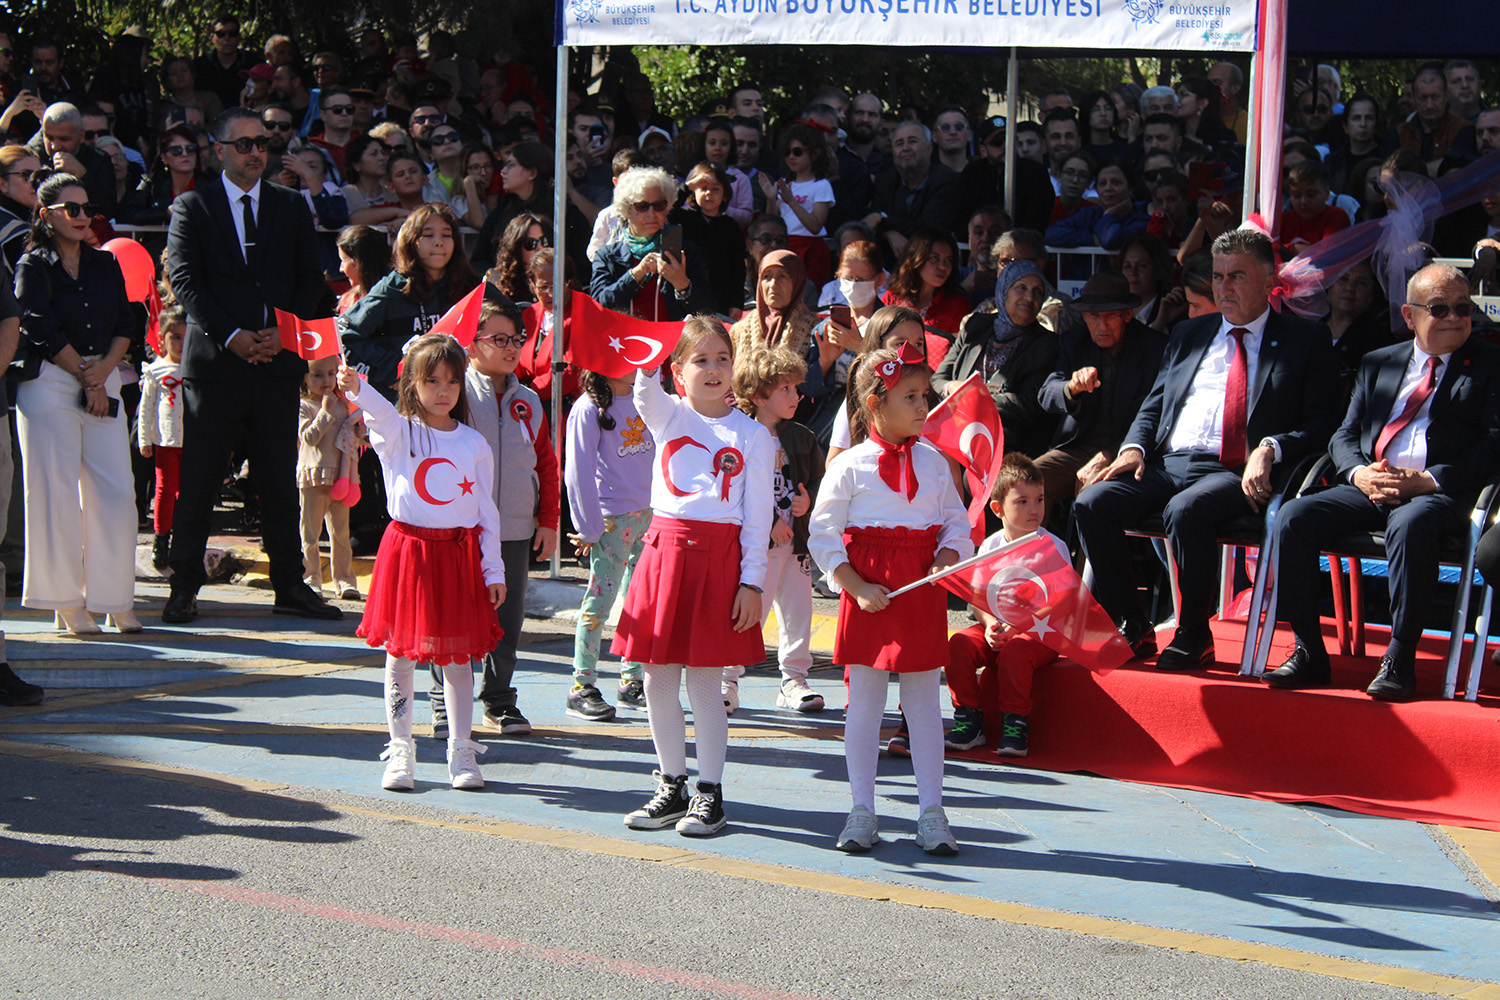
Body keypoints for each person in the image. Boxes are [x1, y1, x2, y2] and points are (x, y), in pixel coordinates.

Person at [1072, 229, 1340, 668]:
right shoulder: (1189, 333)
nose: (1223, 288)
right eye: (1218, 277)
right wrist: (1134, 447)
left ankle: (1194, 632)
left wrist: (1271, 446)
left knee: (1187, 509)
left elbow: (1323, 422)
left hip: (1237, 469)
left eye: (1237, 276)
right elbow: (1155, 403)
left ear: (1268, 281)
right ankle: (1132, 625)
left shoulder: (1303, 339)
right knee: (1092, 502)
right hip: (1169, 462)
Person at [1266, 264, 1500, 700]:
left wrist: (1427, 480)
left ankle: (1399, 657)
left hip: (1439, 493)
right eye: (1440, 308)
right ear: (1410, 316)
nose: (1454, 317)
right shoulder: (1379, 361)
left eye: (1463, 308)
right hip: (1371, 484)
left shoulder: (1491, 365)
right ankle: (1308, 649)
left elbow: (1493, 446)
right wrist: (1360, 473)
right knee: (1295, 516)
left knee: (1411, 523)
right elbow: (1344, 433)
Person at [163, 107, 341, 625]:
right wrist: (233, 336)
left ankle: (290, 584)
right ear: (219, 150)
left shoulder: (289, 204)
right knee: (199, 479)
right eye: (243, 144)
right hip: (216, 366)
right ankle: (184, 585)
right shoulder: (193, 205)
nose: (255, 152)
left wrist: (282, 334)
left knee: (279, 480)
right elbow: (186, 280)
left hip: (276, 362)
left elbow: (310, 277)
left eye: (261, 143)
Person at [809, 343, 972, 855]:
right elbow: (822, 534)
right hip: (869, 594)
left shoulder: (935, 462)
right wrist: (855, 587)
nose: (924, 406)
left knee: (923, 703)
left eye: (925, 395)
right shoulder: (849, 465)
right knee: (865, 702)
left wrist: (947, 555)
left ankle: (932, 812)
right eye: (911, 397)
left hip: (919, 590)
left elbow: (956, 522)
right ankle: (861, 809)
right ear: (875, 404)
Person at [614, 316, 774, 838]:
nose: (713, 369)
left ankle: (710, 792)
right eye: (700, 359)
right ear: (677, 370)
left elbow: (758, 519)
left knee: (705, 679)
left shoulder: (752, 434)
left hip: (719, 560)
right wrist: (654, 349)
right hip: (664, 553)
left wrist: (752, 582)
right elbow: (644, 388)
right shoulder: (668, 414)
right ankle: (671, 784)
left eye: (722, 358)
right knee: (657, 676)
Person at [337, 335, 505, 791]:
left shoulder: (474, 443)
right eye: (432, 380)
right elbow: (379, 413)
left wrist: (493, 569)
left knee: (458, 659)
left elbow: (486, 512)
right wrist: (358, 387)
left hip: (457, 556)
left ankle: (462, 751)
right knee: (400, 656)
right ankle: (400, 749)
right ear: (412, 383)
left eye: (452, 381)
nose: (443, 390)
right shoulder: (399, 432)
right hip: (408, 553)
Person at [427, 298, 559, 739]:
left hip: (515, 528)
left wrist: (548, 519)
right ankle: (444, 701)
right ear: (472, 343)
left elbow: (546, 463)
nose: (511, 348)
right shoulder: (456, 394)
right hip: (460, 530)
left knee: (508, 617)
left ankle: (498, 699)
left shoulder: (529, 401)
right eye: (499, 339)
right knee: (452, 616)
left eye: (517, 339)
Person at [15, 172, 140, 635]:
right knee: (55, 493)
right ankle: (65, 601)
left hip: (102, 375)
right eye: (72, 209)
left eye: (88, 208)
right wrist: (88, 376)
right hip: (50, 380)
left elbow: (126, 322)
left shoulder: (105, 263)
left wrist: (100, 374)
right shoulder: (33, 264)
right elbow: (37, 325)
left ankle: (115, 598)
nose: (83, 216)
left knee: (116, 492)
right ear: (45, 214)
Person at [944, 454, 1070, 756]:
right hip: (1000, 628)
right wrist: (990, 625)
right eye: (1022, 502)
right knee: (958, 644)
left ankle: (1015, 722)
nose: (1034, 509)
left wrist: (1018, 627)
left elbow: (1062, 602)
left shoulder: (1053, 546)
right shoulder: (990, 545)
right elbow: (979, 595)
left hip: (1040, 634)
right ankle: (969, 718)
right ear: (998, 508)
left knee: (1016, 650)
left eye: (1039, 499)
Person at [727, 346, 826, 715]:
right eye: (785, 389)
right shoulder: (739, 434)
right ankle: (727, 678)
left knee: (798, 613)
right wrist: (771, 524)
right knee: (749, 611)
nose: (795, 396)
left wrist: (808, 500)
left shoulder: (803, 437)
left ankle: (794, 679)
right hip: (756, 548)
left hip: (796, 546)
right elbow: (733, 488)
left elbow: (819, 479)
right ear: (757, 396)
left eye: (796, 388)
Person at [1035, 273, 1167, 526]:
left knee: (1093, 495)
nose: (1101, 325)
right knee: (1027, 483)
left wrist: (1109, 455)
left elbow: (1154, 417)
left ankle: (1085, 554)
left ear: (1127, 315)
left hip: (1130, 449)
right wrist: (1072, 387)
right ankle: (1035, 551)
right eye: (1093, 316)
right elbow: (1046, 394)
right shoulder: (1074, 341)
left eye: (1110, 316)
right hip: (1078, 446)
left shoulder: (1154, 348)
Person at [565, 368, 654, 720]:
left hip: (651, 515)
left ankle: (632, 680)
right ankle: (581, 685)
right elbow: (578, 470)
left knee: (641, 602)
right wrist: (588, 526)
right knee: (599, 602)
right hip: (612, 521)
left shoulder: (647, 398)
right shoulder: (588, 408)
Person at [341, 203, 480, 397]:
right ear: (411, 241)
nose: (439, 242)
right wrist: (393, 370)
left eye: (446, 235)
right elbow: (345, 334)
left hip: (455, 399)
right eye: (428, 235)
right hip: (402, 402)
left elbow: (505, 321)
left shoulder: (470, 285)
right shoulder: (392, 287)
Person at [932, 261, 1057, 458]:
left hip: (1005, 436)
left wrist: (976, 397)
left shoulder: (1046, 343)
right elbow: (937, 380)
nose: (1029, 297)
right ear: (1004, 290)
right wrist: (950, 388)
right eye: (1021, 288)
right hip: (955, 424)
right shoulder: (976, 326)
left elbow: (1032, 403)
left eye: (1038, 292)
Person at [590, 166, 714, 321]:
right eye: (642, 207)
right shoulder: (607, 256)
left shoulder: (686, 252)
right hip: (625, 336)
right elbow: (597, 306)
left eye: (659, 206)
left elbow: (707, 310)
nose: (651, 214)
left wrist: (682, 284)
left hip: (672, 336)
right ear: (627, 210)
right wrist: (636, 275)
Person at [298, 354, 364, 600]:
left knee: (341, 535)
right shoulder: (304, 406)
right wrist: (324, 412)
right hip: (313, 478)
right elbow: (309, 438)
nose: (326, 380)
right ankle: (311, 578)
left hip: (340, 479)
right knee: (310, 534)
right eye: (317, 375)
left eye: (331, 374)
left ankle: (344, 580)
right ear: (306, 378)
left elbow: (352, 440)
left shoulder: (344, 404)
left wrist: (360, 432)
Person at [864, 122, 961, 261]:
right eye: (899, 144)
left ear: (929, 148)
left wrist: (883, 220)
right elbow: (870, 222)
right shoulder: (885, 180)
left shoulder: (947, 180)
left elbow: (927, 229)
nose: (905, 148)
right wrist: (889, 233)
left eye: (912, 141)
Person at [139, 307, 187, 570]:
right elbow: (146, 407)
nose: (181, 344)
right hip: (166, 442)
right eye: (175, 337)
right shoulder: (156, 371)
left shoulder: (194, 367)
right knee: (165, 490)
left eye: (186, 337)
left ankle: (183, 537)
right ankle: (161, 537)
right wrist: (144, 438)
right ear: (162, 339)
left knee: (186, 492)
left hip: (191, 442)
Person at [673, 161, 745, 316]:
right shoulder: (686, 219)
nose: (708, 193)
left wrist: (737, 303)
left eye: (715, 189)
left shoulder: (731, 226)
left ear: (725, 195)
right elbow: (669, 208)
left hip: (722, 297)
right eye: (703, 188)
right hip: (691, 294)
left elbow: (738, 267)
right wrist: (688, 186)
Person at [879, 227, 967, 339]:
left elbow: (959, 347)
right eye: (934, 258)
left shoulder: (958, 305)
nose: (943, 266)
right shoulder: (892, 298)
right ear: (916, 259)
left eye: (949, 260)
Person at [1045, 159, 1150, 250]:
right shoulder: (1088, 214)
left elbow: (1109, 239)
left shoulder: (1142, 221)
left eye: (1116, 182)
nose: (1108, 188)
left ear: (1130, 188)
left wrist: (1109, 215)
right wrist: (1091, 239)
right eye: (1102, 183)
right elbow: (1050, 234)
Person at [1280, 159, 1350, 259]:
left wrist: (1287, 249)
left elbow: (1326, 254)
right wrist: (1294, 249)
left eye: (1311, 195)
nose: (1303, 201)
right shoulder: (1285, 219)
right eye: (1296, 195)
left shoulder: (1337, 217)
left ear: (1327, 193)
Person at [335, 223, 392, 315]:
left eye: (344, 260)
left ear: (359, 262)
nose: (341, 269)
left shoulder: (393, 302)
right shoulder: (348, 300)